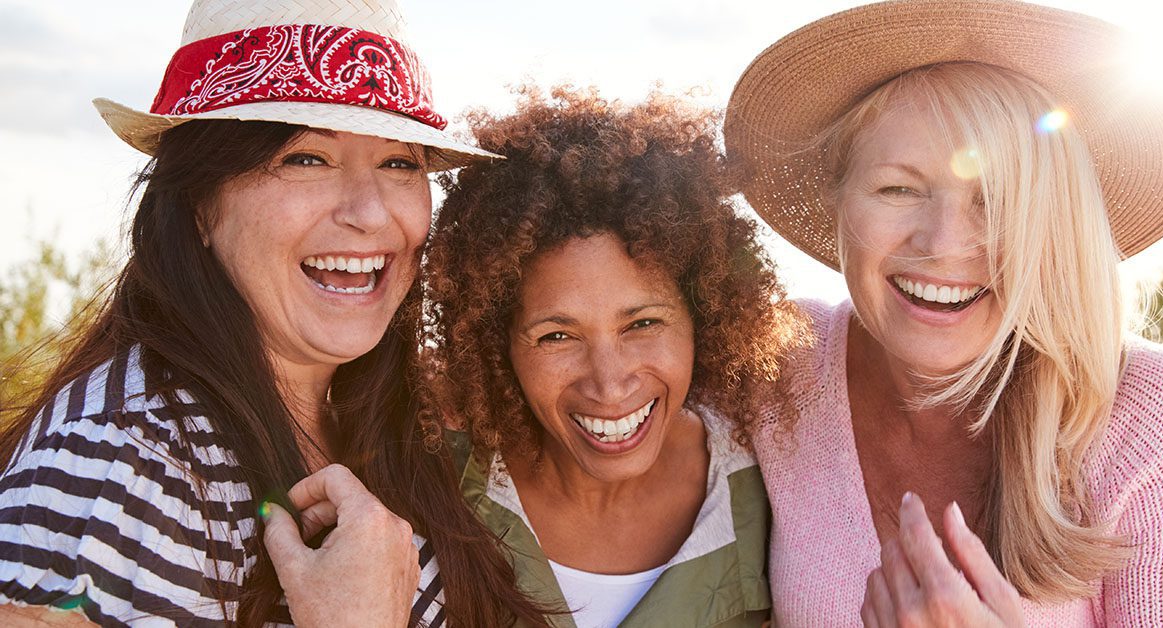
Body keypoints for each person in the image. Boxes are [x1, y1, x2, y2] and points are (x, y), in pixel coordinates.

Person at [0, 0, 546, 626]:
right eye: (306, 158)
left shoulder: (392, 426)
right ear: (201, 203)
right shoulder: (130, 463)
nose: (369, 214)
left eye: (399, 162)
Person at [724, 0, 1163, 626]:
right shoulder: (773, 365)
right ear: (838, 199)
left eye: (1000, 201)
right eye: (899, 189)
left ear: (1058, 225)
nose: (943, 244)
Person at [417, 86, 804, 627]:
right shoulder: (431, 479)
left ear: (703, 316)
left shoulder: (770, 487)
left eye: (642, 324)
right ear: (494, 340)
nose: (609, 383)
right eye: (556, 336)